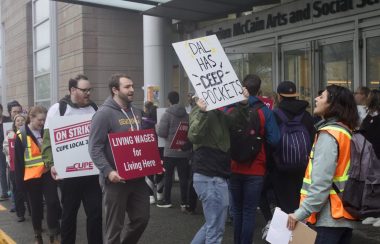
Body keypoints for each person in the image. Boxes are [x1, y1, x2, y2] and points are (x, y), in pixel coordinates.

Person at [287, 85, 359, 244]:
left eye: (322, 97)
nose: (316, 99)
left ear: (333, 104)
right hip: (342, 215)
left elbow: (321, 182)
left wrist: (300, 213)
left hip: (328, 218)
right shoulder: (346, 131)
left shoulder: (329, 135)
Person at [41, 74, 102, 244]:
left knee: (96, 213)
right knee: (69, 215)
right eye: (84, 90)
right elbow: (47, 142)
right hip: (68, 175)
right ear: (73, 90)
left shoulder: (94, 109)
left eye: (90, 89)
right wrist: (51, 164)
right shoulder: (58, 109)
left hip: (91, 173)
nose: (88, 93)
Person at [88, 73, 149, 244]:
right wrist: (108, 172)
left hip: (137, 178)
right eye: (127, 87)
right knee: (114, 227)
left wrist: (153, 163)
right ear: (115, 90)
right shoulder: (103, 114)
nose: (132, 90)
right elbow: (94, 147)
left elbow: (141, 142)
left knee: (142, 219)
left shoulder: (136, 111)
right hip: (116, 180)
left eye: (132, 86)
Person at [188, 88, 249, 244]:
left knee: (212, 225)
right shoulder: (199, 111)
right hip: (210, 176)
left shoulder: (217, 113)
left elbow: (237, 122)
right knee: (215, 230)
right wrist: (202, 112)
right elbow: (193, 135)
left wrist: (242, 105)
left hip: (215, 175)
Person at [228, 74, 280, 244]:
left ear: (243, 87)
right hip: (256, 168)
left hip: (233, 166)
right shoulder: (264, 111)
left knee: (237, 210)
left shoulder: (231, 109)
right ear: (259, 90)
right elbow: (275, 139)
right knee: (249, 210)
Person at [14, 106, 61, 244]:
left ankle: (53, 232)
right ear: (31, 117)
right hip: (31, 177)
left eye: (44, 120)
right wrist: (19, 185)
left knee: (53, 202)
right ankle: (37, 234)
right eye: (40, 120)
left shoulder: (46, 131)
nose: (42, 122)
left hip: (47, 173)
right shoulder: (21, 134)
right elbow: (18, 162)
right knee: (36, 207)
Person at [272, 81, 315, 214]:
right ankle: (301, 233)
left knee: (284, 206)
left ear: (279, 96)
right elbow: (313, 140)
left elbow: (271, 141)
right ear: (295, 95)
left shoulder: (274, 115)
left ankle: (286, 233)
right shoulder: (307, 116)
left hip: (280, 168)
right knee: (300, 203)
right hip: (303, 167)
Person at [156, 91, 190, 209]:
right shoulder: (187, 115)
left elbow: (162, 132)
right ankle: (184, 202)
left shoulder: (167, 115)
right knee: (184, 178)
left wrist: (157, 128)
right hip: (183, 150)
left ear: (169, 100)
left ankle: (167, 200)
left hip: (170, 151)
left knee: (168, 177)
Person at [360, 89, 380, 227]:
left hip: (377, 154)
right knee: (373, 186)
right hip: (370, 156)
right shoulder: (369, 116)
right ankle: (374, 212)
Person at [3, 113, 26, 221]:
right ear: (14, 123)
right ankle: (20, 213)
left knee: (28, 190)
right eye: (18, 120)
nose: (20, 122)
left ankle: (32, 211)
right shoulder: (10, 135)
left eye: (22, 120)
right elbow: (5, 147)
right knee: (17, 190)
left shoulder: (28, 133)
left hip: (28, 167)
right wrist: (10, 153)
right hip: (14, 167)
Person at [142, 101, 164, 204]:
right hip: (160, 149)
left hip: (148, 149)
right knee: (160, 170)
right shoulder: (160, 122)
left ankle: (150, 196)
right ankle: (160, 194)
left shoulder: (143, 122)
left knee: (149, 172)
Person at [0, 103, 12, 201]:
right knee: (2, 171)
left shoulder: (8, 120)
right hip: (0, 149)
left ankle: (11, 190)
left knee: (11, 168)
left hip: (9, 147)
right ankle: (4, 192)